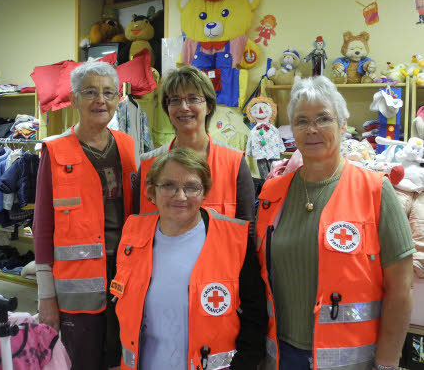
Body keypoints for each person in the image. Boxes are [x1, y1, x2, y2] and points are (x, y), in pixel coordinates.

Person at [255, 76, 415, 370]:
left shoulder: (376, 191)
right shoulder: (271, 193)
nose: (312, 129)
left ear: (343, 126)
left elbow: (401, 289)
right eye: (301, 121)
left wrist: (387, 364)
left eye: (323, 118)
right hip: (281, 355)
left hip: (355, 361)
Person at [110, 147, 267, 370]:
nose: (180, 196)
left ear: (205, 193)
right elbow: (116, 303)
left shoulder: (236, 240)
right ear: (151, 192)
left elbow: (255, 318)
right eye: (168, 186)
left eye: (191, 187)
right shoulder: (131, 234)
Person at [33, 61, 136, 370]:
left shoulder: (128, 146)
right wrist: (46, 296)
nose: (100, 100)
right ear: (74, 99)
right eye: (90, 92)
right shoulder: (54, 151)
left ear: (118, 99)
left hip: (126, 279)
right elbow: (42, 228)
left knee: (122, 359)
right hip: (76, 292)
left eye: (108, 92)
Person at [135, 65, 255, 220]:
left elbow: (247, 229)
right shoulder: (148, 164)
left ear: (209, 106)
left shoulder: (235, 163)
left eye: (193, 99)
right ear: (167, 108)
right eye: (175, 100)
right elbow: (136, 226)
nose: (184, 107)